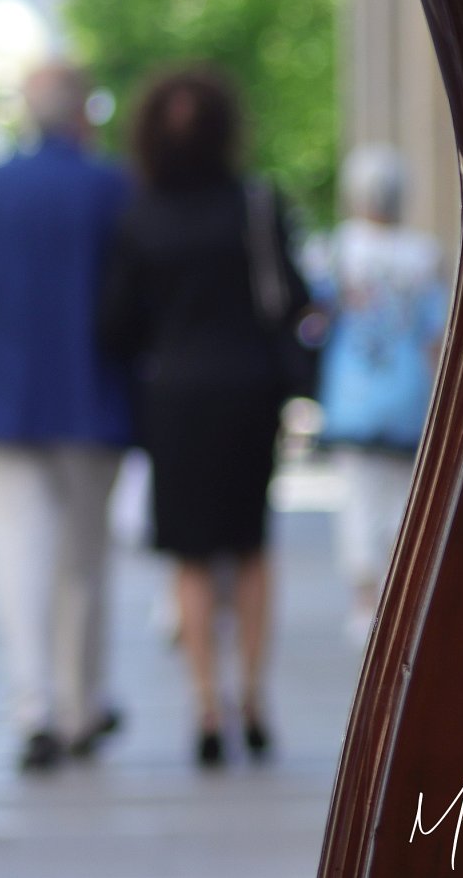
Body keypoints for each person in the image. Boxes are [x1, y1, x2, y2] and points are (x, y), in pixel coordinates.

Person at [98, 65, 310, 767]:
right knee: (251, 547)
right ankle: (252, 694)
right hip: (249, 390)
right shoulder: (254, 202)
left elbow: (115, 324)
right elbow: (294, 296)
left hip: (177, 398)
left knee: (189, 557)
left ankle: (206, 705)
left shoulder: (139, 213)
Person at [0, 61, 132, 772]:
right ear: (83, 112)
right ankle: (82, 703)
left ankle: (36, 704)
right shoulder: (110, 185)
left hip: (3, 399)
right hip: (93, 399)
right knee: (83, 560)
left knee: (18, 557)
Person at [312, 142, 444, 644]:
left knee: (358, 501)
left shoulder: (340, 248)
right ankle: (397, 595)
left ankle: (365, 600)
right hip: (409, 391)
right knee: (401, 502)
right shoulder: (423, 254)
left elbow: (319, 316)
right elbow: (434, 331)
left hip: (354, 394)